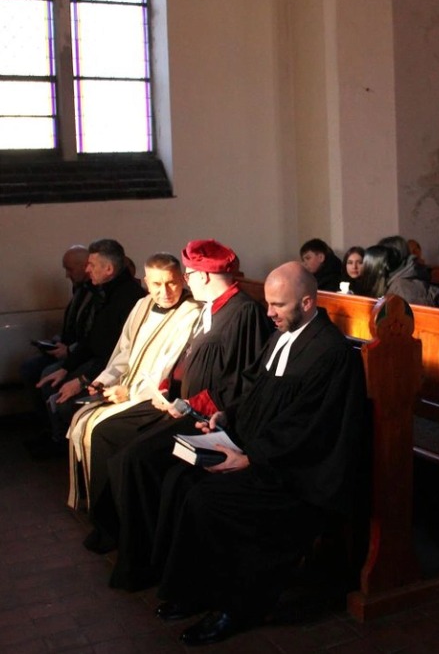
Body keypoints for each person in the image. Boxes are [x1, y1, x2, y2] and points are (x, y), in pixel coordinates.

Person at [152, 261, 367, 646]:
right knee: (179, 479)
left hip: (300, 475)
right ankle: (197, 589)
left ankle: (237, 607)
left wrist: (251, 458)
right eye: (268, 303)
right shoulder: (282, 335)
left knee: (211, 500)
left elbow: (310, 429)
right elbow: (255, 391)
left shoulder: (331, 353)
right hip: (261, 452)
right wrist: (226, 418)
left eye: (278, 305)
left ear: (306, 302)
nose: (269, 313)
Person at [82, 238, 273, 591]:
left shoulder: (243, 312)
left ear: (203, 275)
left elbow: (241, 382)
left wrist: (189, 405)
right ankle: (121, 536)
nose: (185, 281)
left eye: (188, 274)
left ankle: (143, 560)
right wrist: (167, 387)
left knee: (134, 461)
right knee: (114, 441)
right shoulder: (211, 307)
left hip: (207, 417)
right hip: (181, 405)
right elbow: (186, 359)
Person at [66, 253, 202, 509]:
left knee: (100, 430)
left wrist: (130, 393)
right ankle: (97, 502)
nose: (164, 292)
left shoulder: (191, 312)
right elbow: (125, 351)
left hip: (152, 395)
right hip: (126, 386)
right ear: (146, 283)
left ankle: (113, 509)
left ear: (183, 280)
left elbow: (167, 366)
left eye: (171, 283)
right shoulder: (142, 305)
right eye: (156, 284)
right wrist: (104, 381)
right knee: (81, 419)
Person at [34, 239, 146, 456]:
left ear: (109, 269)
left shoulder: (130, 299)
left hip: (113, 370)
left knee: (66, 402)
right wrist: (66, 368)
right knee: (52, 379)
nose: (87, 270)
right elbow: (91, 339)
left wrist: (82, 380)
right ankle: (62, 442)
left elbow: (118, 354)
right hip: (98, 363)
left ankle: (76, 451)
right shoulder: (104, 292)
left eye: (91, 265)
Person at [21, 245, 92, 429]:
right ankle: (46, 427)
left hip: (85, 354)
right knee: (30, 367)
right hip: (71, 348)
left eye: (70, 269)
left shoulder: (96, 294)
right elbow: (74, 326)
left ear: (85, 266)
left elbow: (93, 335)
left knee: (45, 373)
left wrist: (69, 350)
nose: (67, 275)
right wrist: (57, 341)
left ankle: (56, 433)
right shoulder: (80, 290)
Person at [358, 245, 439, 308]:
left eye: (364, 264)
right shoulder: (393, 282)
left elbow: (420, 322)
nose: (361, 268)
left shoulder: (404, 288)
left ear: (374, 268)